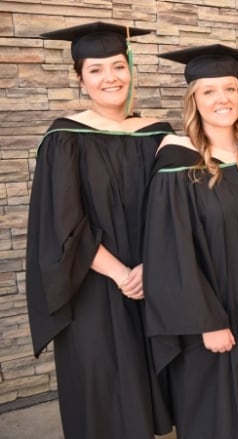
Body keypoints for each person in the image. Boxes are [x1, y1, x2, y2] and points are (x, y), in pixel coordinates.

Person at [25, 21, 173, 439]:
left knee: (145, 395)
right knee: (102, 396)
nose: (110, 77)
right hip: (92, 286)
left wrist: (151, 266)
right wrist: (124, 274)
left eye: (117, 65)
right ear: (79, 78)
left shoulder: (158, 135)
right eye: (95, 69)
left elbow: (173, 212)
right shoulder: (64, 138)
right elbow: (63, 223)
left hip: (150, 280)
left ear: (129, 68)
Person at [143, 44, 238, 439]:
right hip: (208, 322)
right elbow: (169, 250)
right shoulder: (177, 163)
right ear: (193, 99)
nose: (222, 99)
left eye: (229, 89)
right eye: (209, 91)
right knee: (212, 419)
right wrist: (206, 321)